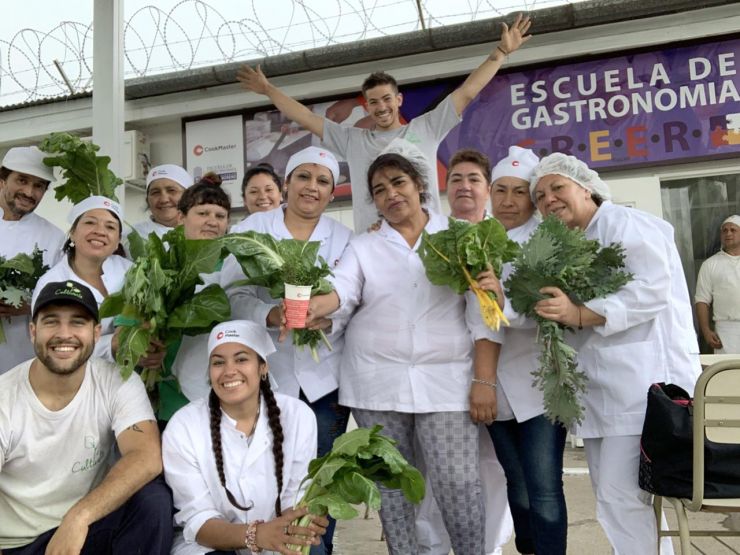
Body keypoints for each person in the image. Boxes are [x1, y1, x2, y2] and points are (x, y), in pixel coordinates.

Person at [306, 143, 501, 554]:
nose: (391, 195)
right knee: (393, 493)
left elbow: (484, 314)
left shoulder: (459, 237)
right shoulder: (363, 246)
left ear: (419, 185)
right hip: (378, 385)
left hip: (446, 383)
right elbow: (342, 289)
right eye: (379, 190)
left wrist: (484, 380)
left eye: (398, 183)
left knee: (459, 486)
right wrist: (314, 307)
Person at [530, 153, 700, 554]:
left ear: (585, 187)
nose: (548, 199)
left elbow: (650, 290)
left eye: (557, 188)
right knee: (614, 499)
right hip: (602, 394)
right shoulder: (569, 244)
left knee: (623, 497)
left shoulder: (627, 224)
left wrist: (579, 313)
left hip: (643, 387)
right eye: (539, 196)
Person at [236, 15, 531, 233]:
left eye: (386, 99)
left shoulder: (424, 128)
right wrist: (268, 90)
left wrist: (501, 54)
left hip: (428, 245)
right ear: (367, 105)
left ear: (399, 100)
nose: (381, 107)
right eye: (373, 102)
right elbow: (306, 117)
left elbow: (466, 92)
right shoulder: (352, 140)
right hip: (374, 247)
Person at [221, 146, 352, 554]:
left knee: (318, 480)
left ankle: (317, 550)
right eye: (303, 177)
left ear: (332, 194)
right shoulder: (255, 229)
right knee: (264, 476)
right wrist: (268, 313)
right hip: (266, 378)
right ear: (286, 185)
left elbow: (355, 299)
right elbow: (231, 293)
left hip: (324, 382)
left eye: (322, 181)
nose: (312, 187)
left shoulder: (343, 239)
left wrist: (329, 320)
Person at [0, 280, 171, 554]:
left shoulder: (116, 381)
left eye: (77, 322)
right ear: (33, 331)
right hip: (18, 545)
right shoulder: (5, 399)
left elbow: (146, 457)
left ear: (96, 332)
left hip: (85, 528)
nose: (64, 334)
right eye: (51, 322)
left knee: (153, 500)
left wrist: (78, 518)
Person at [416, 148, 513, 555]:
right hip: (437, 380)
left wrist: (484, 380)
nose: (464, 186)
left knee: (490, 472)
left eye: (473, 179)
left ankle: (484, 549)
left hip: (495, 380)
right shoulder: (429, 239)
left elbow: (489, 319)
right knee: (433, 474)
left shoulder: (507, 240)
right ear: (445, 188)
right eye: (456, 179)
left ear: (487, 190)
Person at [162, 320, 327, 555]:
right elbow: (198, 520)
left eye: (241, 359)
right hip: (209, 548)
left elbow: (295, 498)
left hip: (279, 542)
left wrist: (307, 517)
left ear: (263, 367)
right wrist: (256, 535)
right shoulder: (184, 426)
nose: (229, 370)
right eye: (218, 362)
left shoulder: (298, 416)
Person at [486, 146, 568, 555]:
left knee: (544, 487)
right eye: (501, 190)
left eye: (520, 192)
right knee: (516, 483)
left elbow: (542, 309)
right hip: (493, 386)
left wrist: (502, 302)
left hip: (540, 385)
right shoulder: (478, 237)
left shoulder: (547, 239)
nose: (508, 200)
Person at [158, 173, 234, 423]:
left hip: (229, 392)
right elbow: (133, 321)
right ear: (180, 218)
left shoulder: (236, 266)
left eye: (220, 216)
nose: (212, 221)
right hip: (173, 395)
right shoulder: (161, 265)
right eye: (202, 213)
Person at [32, 196, 132, 363]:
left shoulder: (130, 270)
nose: (100, 231)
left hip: (128, 377)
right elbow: (48, 343)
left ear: (117, 242)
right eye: (90, 222)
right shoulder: (52, 283)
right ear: (72, 233)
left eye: (110, 226)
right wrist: (112, 346)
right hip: (75, 376)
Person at [0, 146, 65, 374]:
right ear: (2, 180)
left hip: (24, 358)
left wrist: (30, 305)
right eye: (22, 180)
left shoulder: (55, 238)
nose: (29, 192)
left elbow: (63, 297)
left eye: (38, 186)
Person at [695, 214, 740, 354]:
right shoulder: (710, 265)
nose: (728, 233)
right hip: (726, 332)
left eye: (733, 230)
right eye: (724, 230)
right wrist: (707, 331)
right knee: (729, 374)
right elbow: (702, 301)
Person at [133, 163, 194, 238]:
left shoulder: (205, 234)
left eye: (172, 190)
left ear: (189, 196)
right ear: (147, 200)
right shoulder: (131, 237)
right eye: (155, 192)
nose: (164, 200)